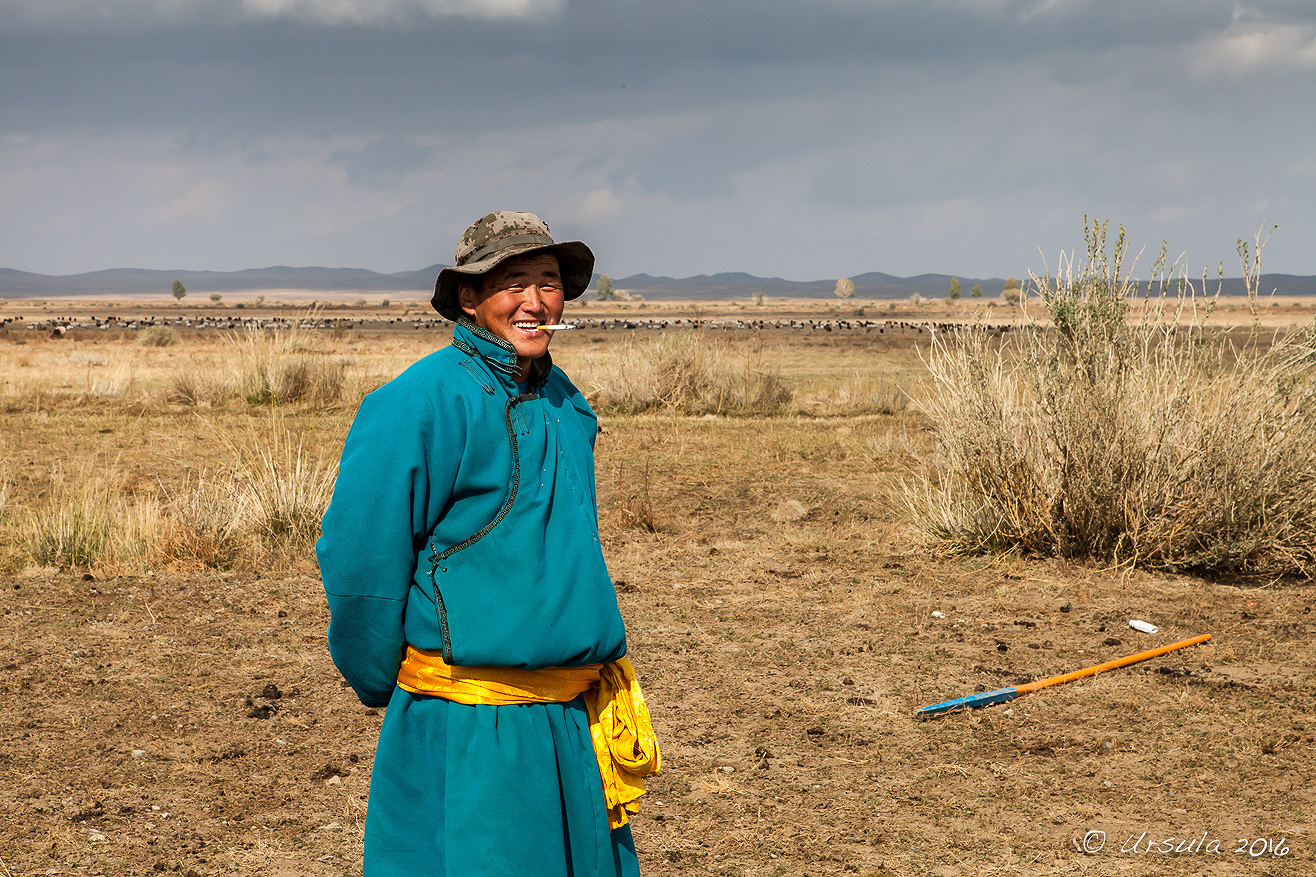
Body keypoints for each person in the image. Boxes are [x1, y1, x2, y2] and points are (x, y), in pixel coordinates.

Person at [317, 211, 660, 877]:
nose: (535, 302)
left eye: (549, 282)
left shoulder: (566, 400)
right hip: (469, 728)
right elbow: (360, 561)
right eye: (513, 282)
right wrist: (396, 681)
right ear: (470, 298)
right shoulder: (417, 403)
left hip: (570, 724)